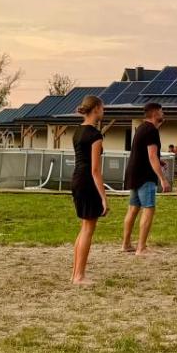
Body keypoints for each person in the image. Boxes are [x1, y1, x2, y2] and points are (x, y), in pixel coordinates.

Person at [122, 101, 172, 255]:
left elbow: (143, 152)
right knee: (148, 209)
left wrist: (159, 160)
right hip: (145, 176)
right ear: (155, 113)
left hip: (133, 173)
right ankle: (141, 248)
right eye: (161, 111)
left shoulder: (141, 128)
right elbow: (151, 156)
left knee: (133, 209)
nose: (163, 114)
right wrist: (163, 179)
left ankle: (126, 244)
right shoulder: (152, 131)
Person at [71, 95, 110, 285]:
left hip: (77, 179)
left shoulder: (77, 131)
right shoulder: (95, 135)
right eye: (102, 107)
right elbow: (95, 170)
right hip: (88, 182)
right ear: (95, 108)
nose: (104, 111)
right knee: (88, 229)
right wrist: (104, 197)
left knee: (83, 228)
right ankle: (79, 276)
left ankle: (75, 273)